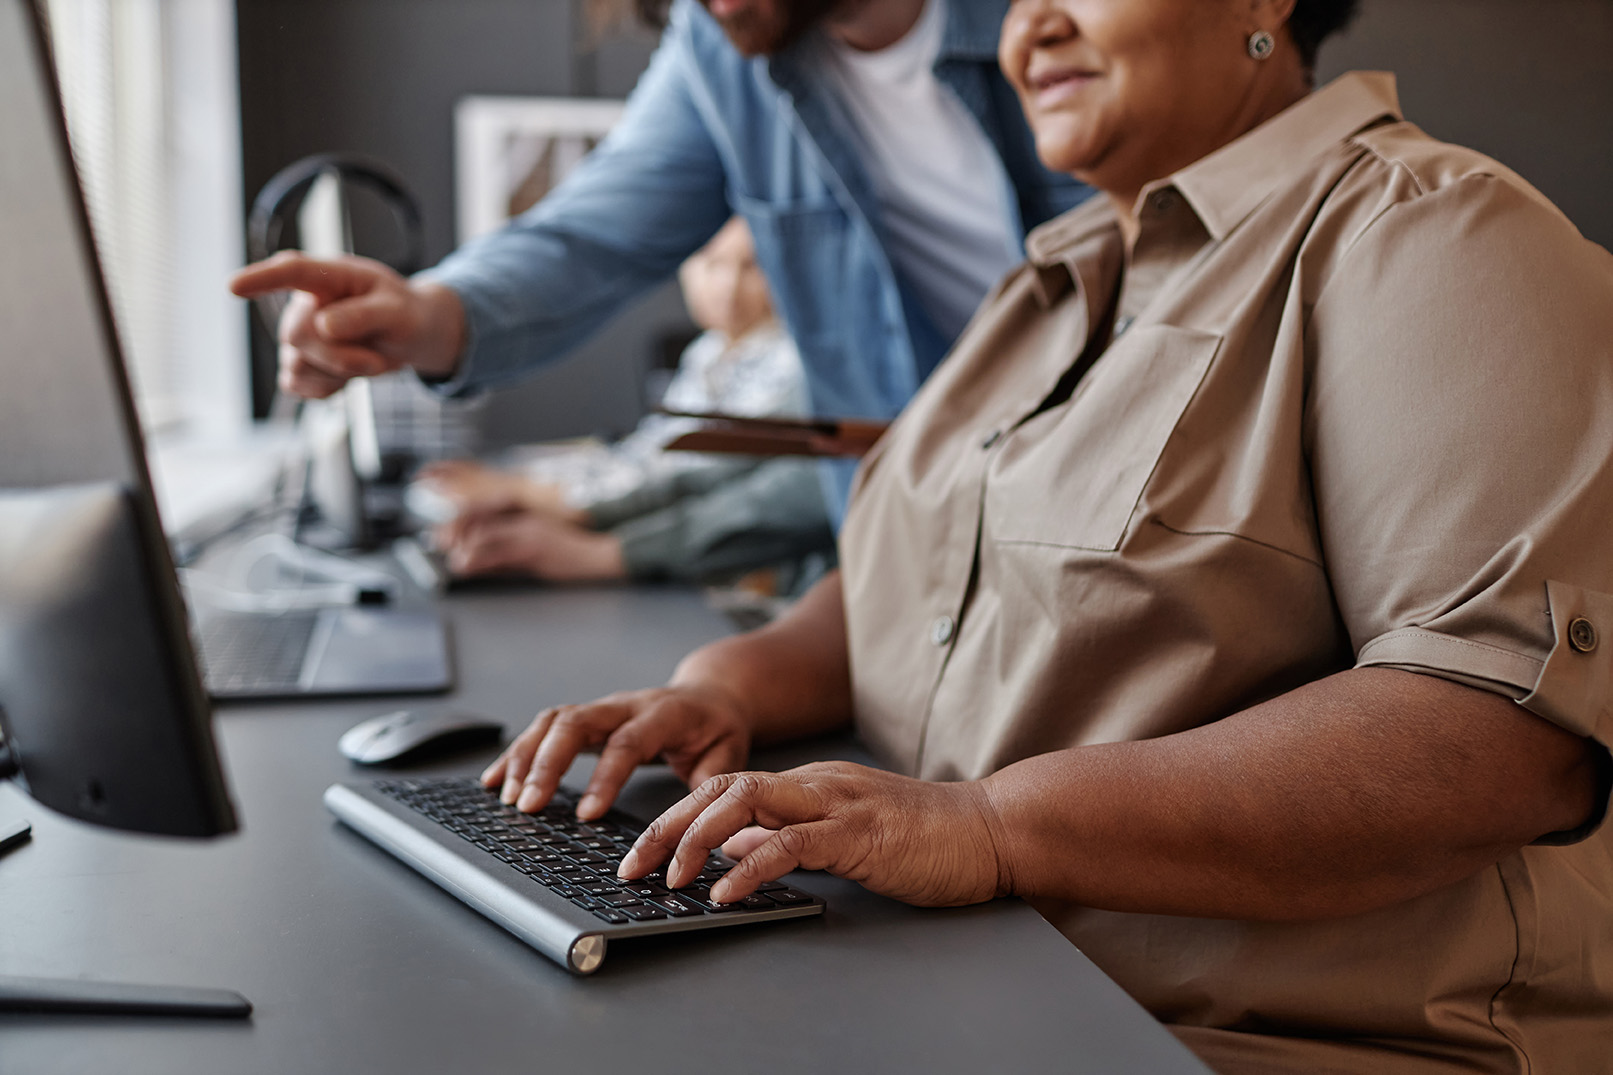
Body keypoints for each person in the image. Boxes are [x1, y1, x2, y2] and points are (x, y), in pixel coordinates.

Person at [478, 0, 1613, 1070]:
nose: (1032, 25)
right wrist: (724, 689)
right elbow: (912, 581)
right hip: (975, 985)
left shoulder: (1429, 231)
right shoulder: (1046, 280)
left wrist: (988, 825)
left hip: (1255, 1040)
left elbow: (1493, 743)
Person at [229, 0, 1094, 523]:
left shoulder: (1074, 30)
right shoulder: (719, 50)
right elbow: (588, 236)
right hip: (917, 543)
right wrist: (425, 316)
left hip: (1103, 500)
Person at [418, 217, 833, 587]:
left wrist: (555, 504)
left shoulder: (793, 361)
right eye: (711, 262)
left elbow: (701, 470)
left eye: (752, 266)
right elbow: (656, 456)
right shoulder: (710, 351)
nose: (727, 286)